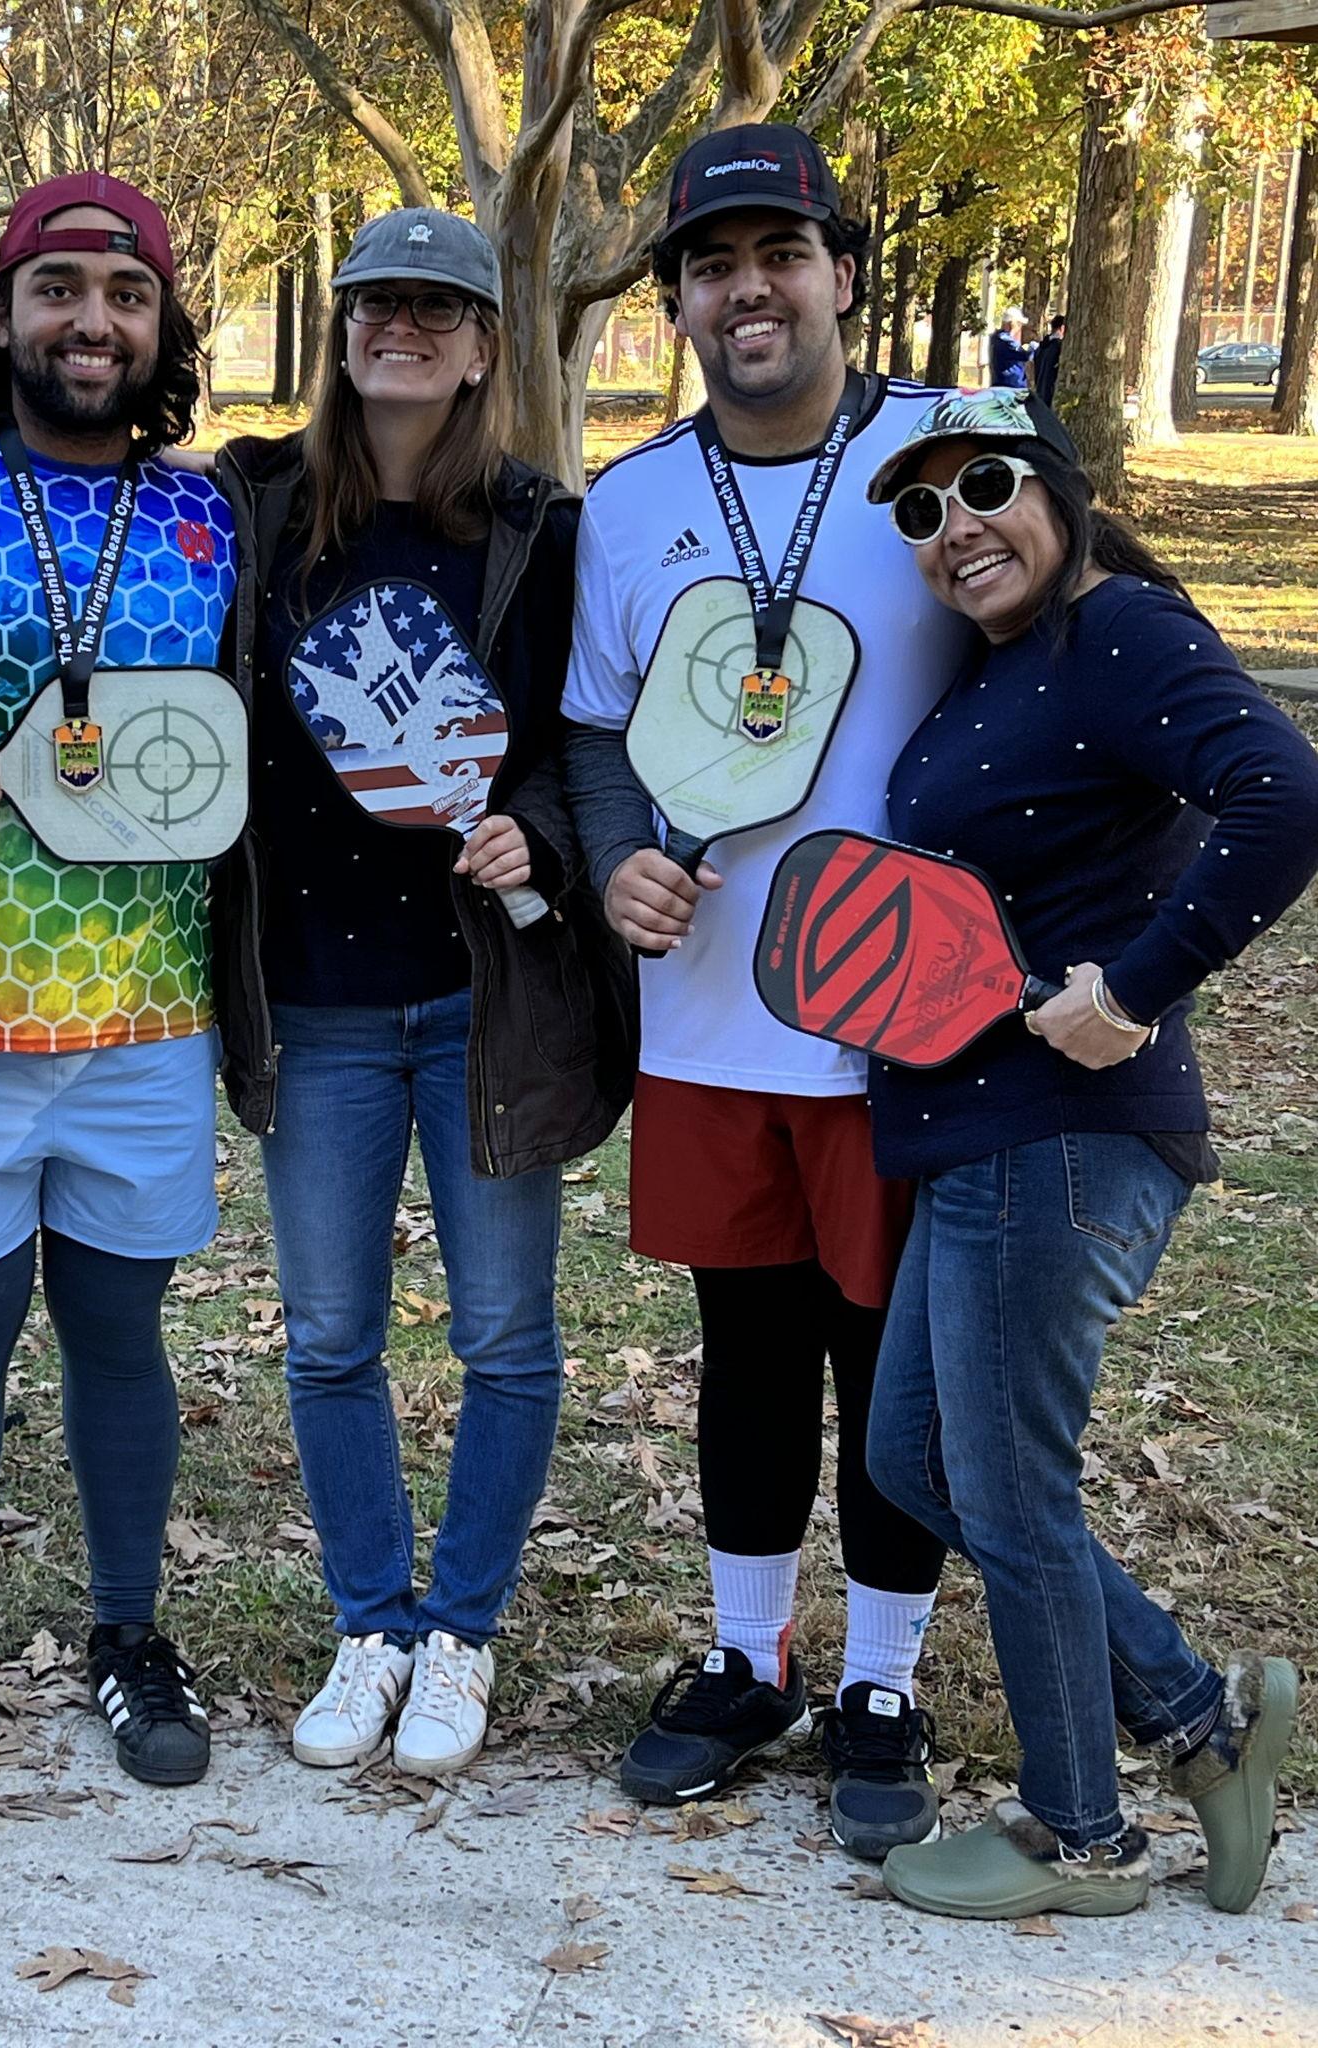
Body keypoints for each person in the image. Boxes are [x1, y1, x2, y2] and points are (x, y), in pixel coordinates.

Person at [854, 385, 1318, 1918]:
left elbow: (1285, 797)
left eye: (979, 486)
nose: (950, 528)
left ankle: (1080, 1836)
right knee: (914, 1460)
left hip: (1056, 1138)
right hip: (978, 1135)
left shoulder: (1116, 631)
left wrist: (1128, 991)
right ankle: (1199, 1718)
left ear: (1054, 484)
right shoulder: (1011, 659)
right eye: (918, 512)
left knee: (1005, 1484)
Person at [561, 123, 970, 1858]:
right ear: (676, 301)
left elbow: (1087, 647)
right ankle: (746, 1653)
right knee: (744, 1348)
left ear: (840, 272)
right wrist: (612, 860)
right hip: (714, 1012)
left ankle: (880, 1676)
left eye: (779, 252)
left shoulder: (961, 457)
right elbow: (594, 732)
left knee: (887, 1362)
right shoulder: (633, 499)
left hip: (911, 1017)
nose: (749, 288)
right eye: (712, 263)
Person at [209, 210, 634, 1775]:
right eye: (377, 302)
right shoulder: (251, 506)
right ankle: (369, 1622)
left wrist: (538, 823)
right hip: (308, 1000)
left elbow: (575, 737)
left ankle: (460, 1633)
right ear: (339, 330)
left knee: (503, 1338)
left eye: (436, 307)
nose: (404, 326)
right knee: (326, 1337)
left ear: (478, 346)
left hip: (481, 1000)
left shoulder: (538, 527)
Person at [0, 175, 235, 1804]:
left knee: (119, 1337)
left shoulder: (213, 515)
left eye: (124, 295)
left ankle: (125, 1630)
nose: (92, 321)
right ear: (0, 315)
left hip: (146, 1005)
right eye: (59, 290)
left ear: (160, 329)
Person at [988, 308, 1031, 390]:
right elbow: (1024, 354)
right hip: (1010, 386)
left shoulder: (996, 337)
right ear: (1012, 324)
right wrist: (1032, 348)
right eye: (1019, 323)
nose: (1020, 327)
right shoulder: (1004, 339)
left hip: (1003, 384)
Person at [1030, 314, 1065, 406]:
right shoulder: (1058, 347)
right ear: (1062, 328)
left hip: (1040, 391)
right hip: (1051, 392)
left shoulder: (1041, 347)